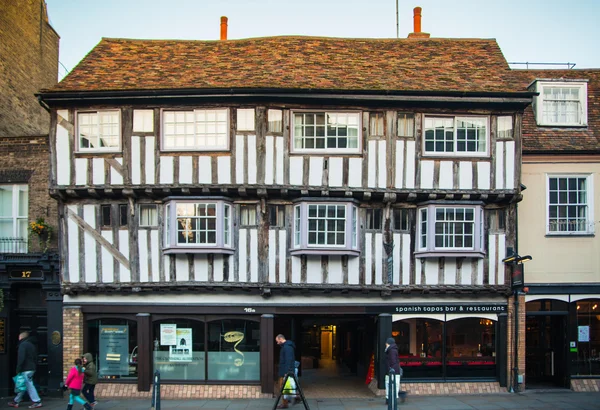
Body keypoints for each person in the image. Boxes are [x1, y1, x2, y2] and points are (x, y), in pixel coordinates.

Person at [8, 331, 42, 408]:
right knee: (22, 385)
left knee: (29, 385)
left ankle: (37, 401)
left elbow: (21, 358)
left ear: (21, 337)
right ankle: (16, 401)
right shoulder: (32, 345)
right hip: (31, 368)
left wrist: (18, 369)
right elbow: (35, 357)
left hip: (26, 368)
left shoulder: (23, 345)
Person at [275, 334, 296, 409]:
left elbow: (288, 360)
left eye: (277, 341)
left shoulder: (287, 347)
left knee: (282, 387)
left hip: (285, 371)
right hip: (285, 370)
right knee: (285, 387)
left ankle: (287, 402)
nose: (277, 343)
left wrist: (286, 372)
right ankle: (286, 402)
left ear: (281, 339)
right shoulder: (286, 347)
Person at [385, 337, 402, 405]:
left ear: (389, 343)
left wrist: (391, 371)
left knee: (392, 385)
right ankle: (390, 399)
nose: (385, 344)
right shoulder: (391, 350)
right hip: (392, 371)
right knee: (390, 384)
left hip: (392, 372)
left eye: (386, 343)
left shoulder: (391, 350)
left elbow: (393, 362)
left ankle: (391, 400)